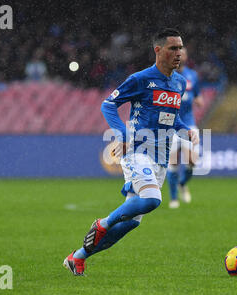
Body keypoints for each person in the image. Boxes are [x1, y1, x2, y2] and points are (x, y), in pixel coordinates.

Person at [63, 28, 199, 276]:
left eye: (180, 48)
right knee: (152, 200)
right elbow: (109, 105)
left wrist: (186, 130)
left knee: (130, 224)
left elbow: (172, 118)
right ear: (158, 50)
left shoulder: (179, 82)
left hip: (160, 157)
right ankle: (102, 223)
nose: (179, 53)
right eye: (173, 48)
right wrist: (122, 135)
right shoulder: (140, 79)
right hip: (138, 150)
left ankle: (78, 257)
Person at [167, 47, 204, 209]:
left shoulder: (192, 75)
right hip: (171, 125)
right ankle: (174, 198)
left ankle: (182, 183)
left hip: (189, 123)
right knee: (173, 162)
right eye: (177, 54)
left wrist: (198, 100)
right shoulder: (167, 75)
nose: (179, 56)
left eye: (182, 54)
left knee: (192, 161)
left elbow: (197, 95)